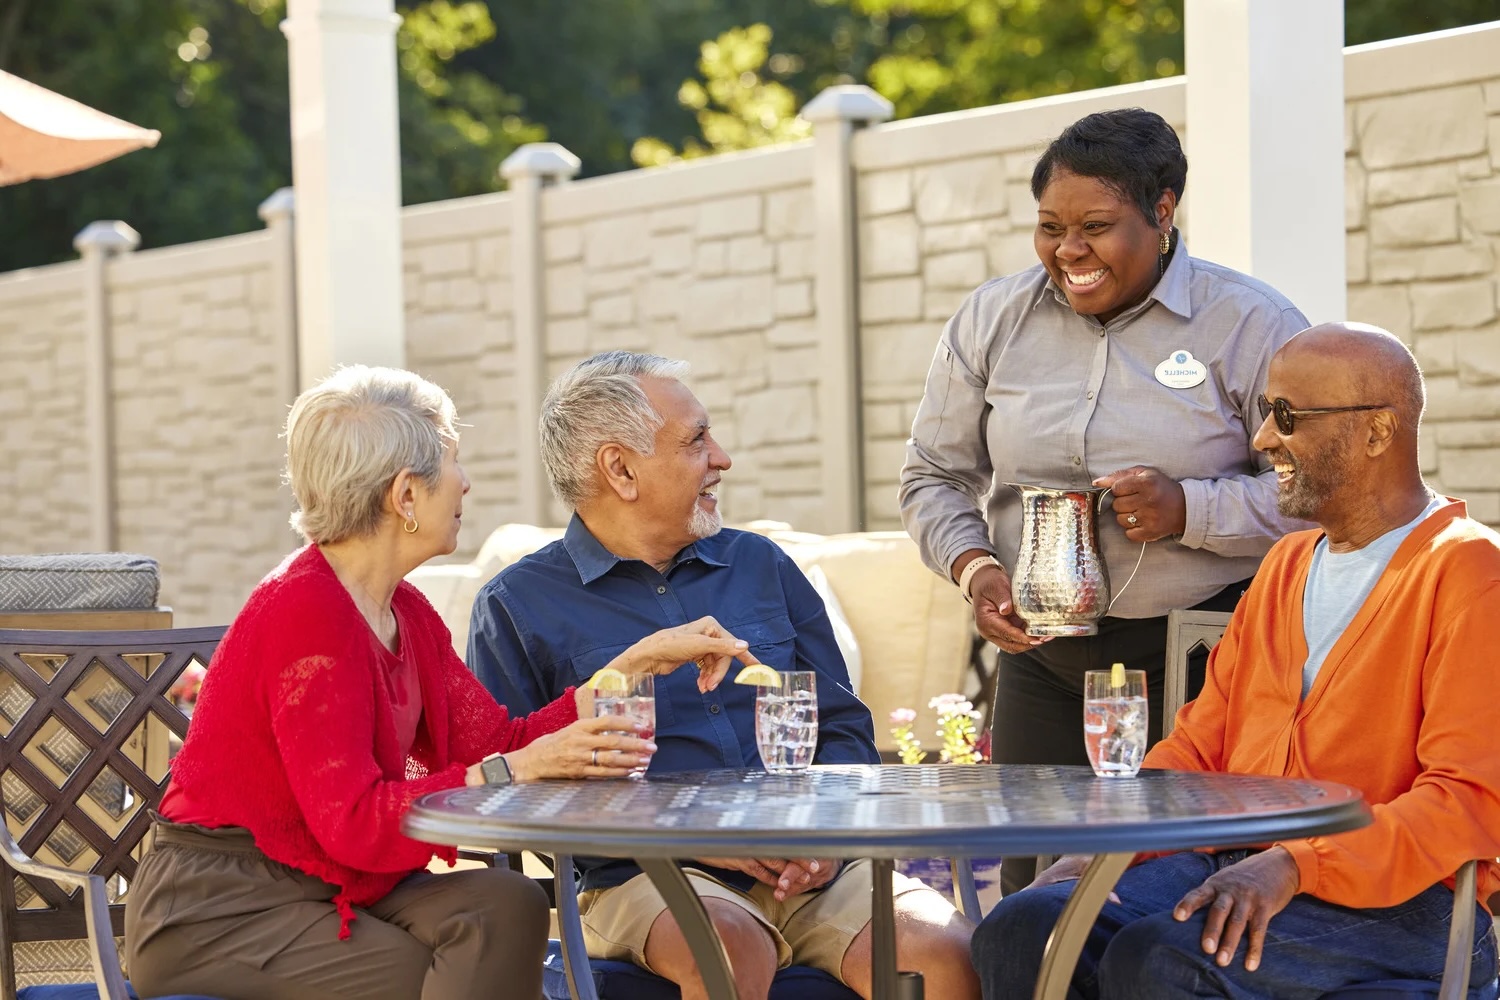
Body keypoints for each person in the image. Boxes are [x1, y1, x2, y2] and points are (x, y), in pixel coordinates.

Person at [124, 366, 755, 1000]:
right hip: (222, 911)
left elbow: (495, 739)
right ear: (405, 496)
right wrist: (517, 767)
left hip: (331, 884)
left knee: (507, 904)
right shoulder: (304, 615)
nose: (467, 482)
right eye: (453, 462)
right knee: (436, 972)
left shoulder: (405, 611)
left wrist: (635, 664)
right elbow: (356, 821)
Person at [971, 323, 1500, 998]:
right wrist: (1116, 846)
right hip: (1237, 861)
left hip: (1412, 901)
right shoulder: (1285, 566)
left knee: (1160, 959)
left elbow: (1467, 801)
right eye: (1264, 415)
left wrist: (1294, 866)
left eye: (1288, 417)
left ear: (1377, 431)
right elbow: (1200, 745)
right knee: (1026, 928)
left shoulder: (1466, 570)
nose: (1262, 441)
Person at [469, 351, 979, 1000]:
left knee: (946, 949)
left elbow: (844, 726)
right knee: (729, 953)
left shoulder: (762, 565)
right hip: (644, 874)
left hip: (816, 864)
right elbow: (514, 781)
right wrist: (699, 842)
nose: (723, 458)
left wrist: (826, 835)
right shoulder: (517, 606)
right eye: (696, 440)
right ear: (620, 469)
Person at [898, 107, 1312, 893]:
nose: (1069, 251)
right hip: (1041, 661)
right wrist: (974, 568)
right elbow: (933, 474)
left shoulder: (1252, 324)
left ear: (1162, 212)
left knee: (1171, 887)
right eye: (1050, 226)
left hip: (1202, 658)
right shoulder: (993, 318)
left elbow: (1313, 495)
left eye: (1095, 225)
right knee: (1031, 890)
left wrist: (1190, 508)